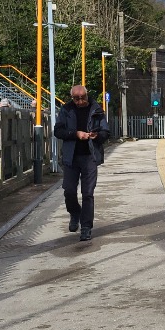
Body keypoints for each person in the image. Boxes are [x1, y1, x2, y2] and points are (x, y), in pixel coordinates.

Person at [54, 85, 110, 241]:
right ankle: (74, 212)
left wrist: (96, 135)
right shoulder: (66, 110)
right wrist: (75, 134)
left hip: (90, 157)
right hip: (71, 157)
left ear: (87, 95)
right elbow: (58, 131)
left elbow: (106, 132)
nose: (79, 101)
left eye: (82, 97)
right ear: (72, 98)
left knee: (88, 193)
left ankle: (86, 227)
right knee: (69, 190)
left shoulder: (97, 110)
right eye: (76, 98)